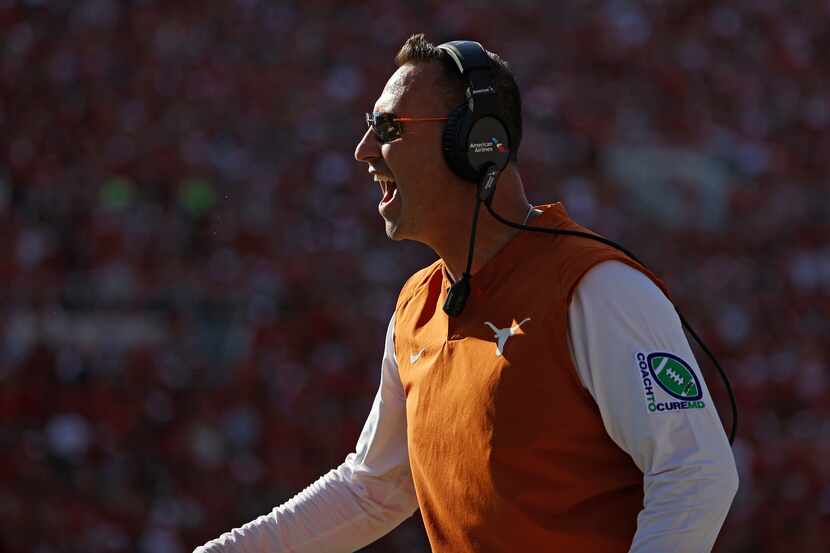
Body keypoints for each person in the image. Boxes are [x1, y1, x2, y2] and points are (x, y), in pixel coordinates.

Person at [194, 33, 738, 553]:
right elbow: (373, 489)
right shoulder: (416, 304)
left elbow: (695, 474)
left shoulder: (597, 288)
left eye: (389, 128)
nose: (363, 151)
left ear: (476, 144)